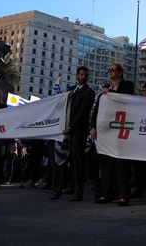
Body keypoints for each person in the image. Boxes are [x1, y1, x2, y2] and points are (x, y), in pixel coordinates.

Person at [90, 63, 135, 206]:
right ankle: (106, 193)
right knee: (106, 163)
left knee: (121, 163)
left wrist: (109, 94)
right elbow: (96, 109)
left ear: (120, 73)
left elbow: (126, 99)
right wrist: (93, 126)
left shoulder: (127, 85)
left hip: (120, 127)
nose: (110, 72)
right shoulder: (105, 88)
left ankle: (124, 195)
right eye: (109, 70)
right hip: (105, 130)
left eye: (113, 70)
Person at [59, 66, 95, 202]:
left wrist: (71, 127)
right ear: (77, 75)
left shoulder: (89, 92)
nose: (84, 77)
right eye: (81, 74)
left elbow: (83, 112)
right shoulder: (70, 90)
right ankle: (66, 186)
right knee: (65, 160)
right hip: (66, 130)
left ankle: (78, 191)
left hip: (78, 131)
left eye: (86, 75)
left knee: (77, 161)